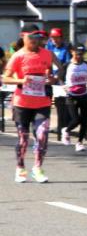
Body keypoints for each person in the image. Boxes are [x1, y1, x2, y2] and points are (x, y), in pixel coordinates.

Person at [2, 25, 56, 183]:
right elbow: (5, 78)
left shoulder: (47, 54)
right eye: (32, 37)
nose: (35, 40)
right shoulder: (18, 56)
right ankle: (20, 168)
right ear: (23, 37)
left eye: (37, 37)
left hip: (42, 102)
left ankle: (38, 168)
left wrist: (51, 79)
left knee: (42, 135)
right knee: (23, 139)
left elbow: (50, 73)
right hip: (22, 103)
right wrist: (21, 80)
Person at [62, 44, 87, 153]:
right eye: (77, 54)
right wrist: (64, 86)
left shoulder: (86, 64)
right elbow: (61, 79)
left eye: (81, 54)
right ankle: (66, 130)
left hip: (84, 94)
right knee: (76, 119)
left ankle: (80, 142)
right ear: (72, 52)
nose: (79, 56)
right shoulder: (67, 65)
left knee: (84, 120)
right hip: (72, 96)